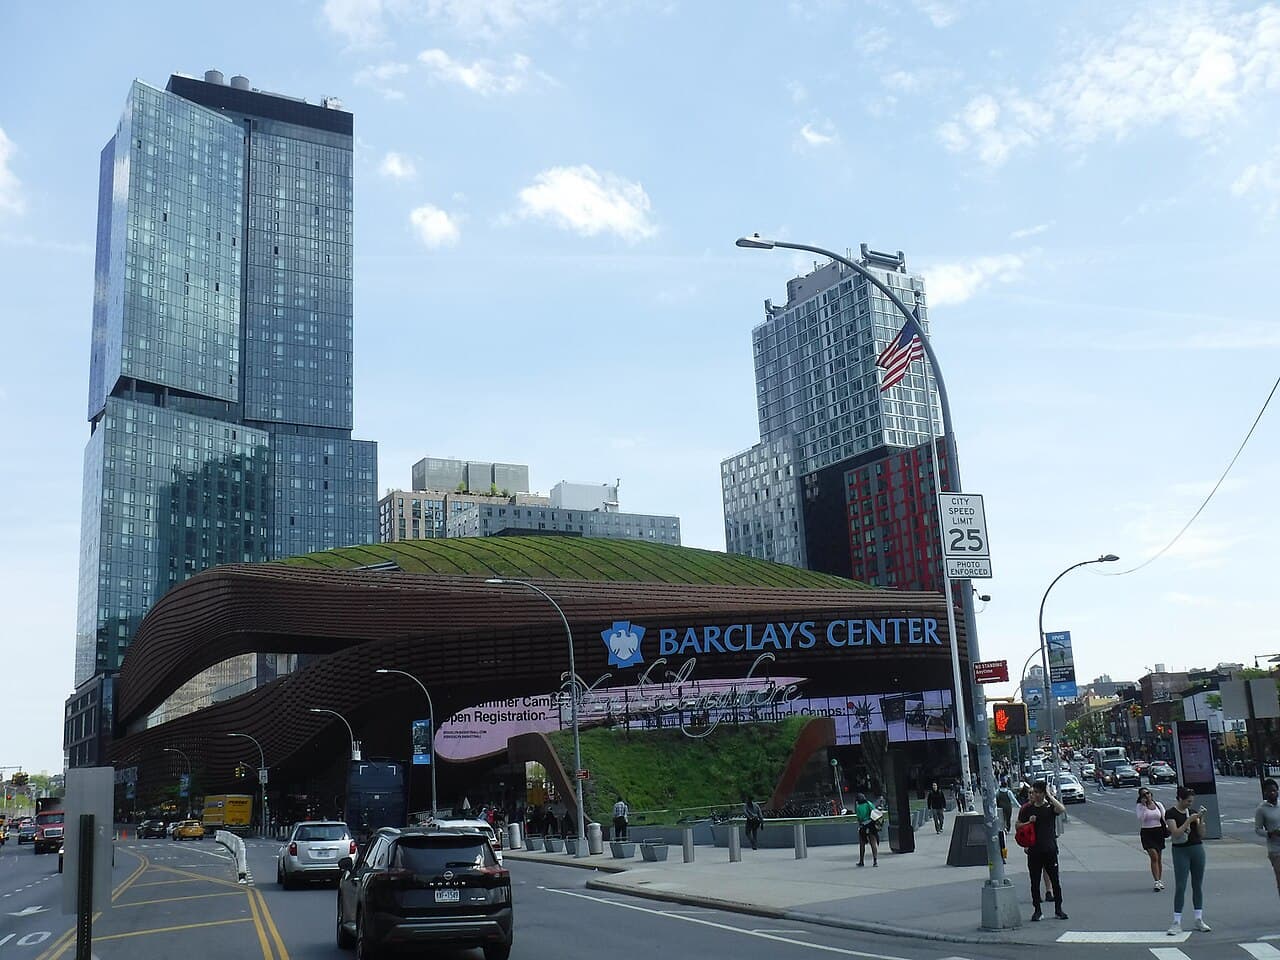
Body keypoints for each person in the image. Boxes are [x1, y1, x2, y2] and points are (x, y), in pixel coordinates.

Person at [1016, 780, 1067, 921]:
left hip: (1050, 849)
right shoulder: (1027, 809)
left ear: (1043, 793)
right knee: (1035, 882)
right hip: (1034, 850)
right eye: (1034, 792)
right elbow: (1018, 826)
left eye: (1038, 792)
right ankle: (1037, 910)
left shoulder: (1049, 807)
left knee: (1055, 881)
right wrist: (1029, 822)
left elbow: (1062, 809)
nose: (1036, 795)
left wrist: (1050, 796)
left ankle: (1058, 909)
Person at [1165, 785, 1211, 935]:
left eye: (1191, 801)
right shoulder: (1171, 813)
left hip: (1196, 848)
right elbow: (1176, 833)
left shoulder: (1192, 812)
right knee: (1181, 885)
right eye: (1187, 801)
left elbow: (1201, 834)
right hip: (1180, 851)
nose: (1190, 804)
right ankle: (1176, 921)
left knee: (1197, 884)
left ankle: (1199, 918)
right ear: (1180, 799)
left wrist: (1201, 819)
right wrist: (1188, 821)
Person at [1135, 786, 1167, 891]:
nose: (1147, 796)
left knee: (1159, 857)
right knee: (1154, 856)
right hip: (1147, 833)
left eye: (1148, 793)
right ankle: (1156, 881)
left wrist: (1168, 828)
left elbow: (1163, 817)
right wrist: (1144, 806)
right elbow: (1141, 818)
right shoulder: (1140, 806)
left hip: (1158, 832)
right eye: (1144, 795)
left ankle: (1160, 880)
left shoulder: (1158, 804)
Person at [1255, 777, 1280, 904]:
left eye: (1275, 791)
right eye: (1269, 791)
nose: (1272, 793)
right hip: (1275, 850)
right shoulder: (1261, 809)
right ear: (1264, 793)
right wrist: (1270, 833)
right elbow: (1258, 829)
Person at [855, 793, 880, 867]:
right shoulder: (869, 803)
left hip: (863, 826)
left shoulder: (859, 807)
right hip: (871, 825)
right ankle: (875, 861)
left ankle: (861, 861)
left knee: (862, 843)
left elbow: (859, 818)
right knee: (873, 843)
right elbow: (874, 811)